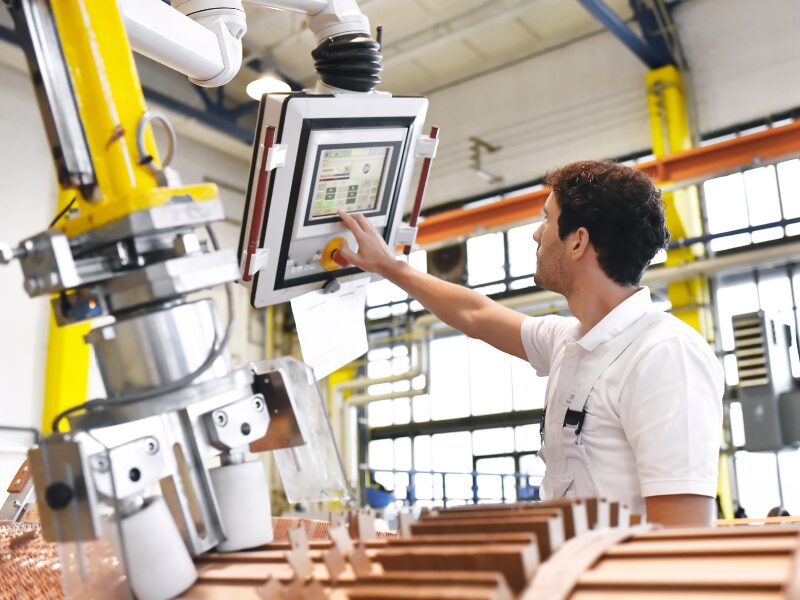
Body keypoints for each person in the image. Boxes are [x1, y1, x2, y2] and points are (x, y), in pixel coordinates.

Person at [334, 160, 724, 527]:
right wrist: (389, 266)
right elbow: (476, 315)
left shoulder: (664, 354)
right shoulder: (571, 342)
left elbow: (682, 532)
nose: (537, 234)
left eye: (547, 219)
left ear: (578, 242)